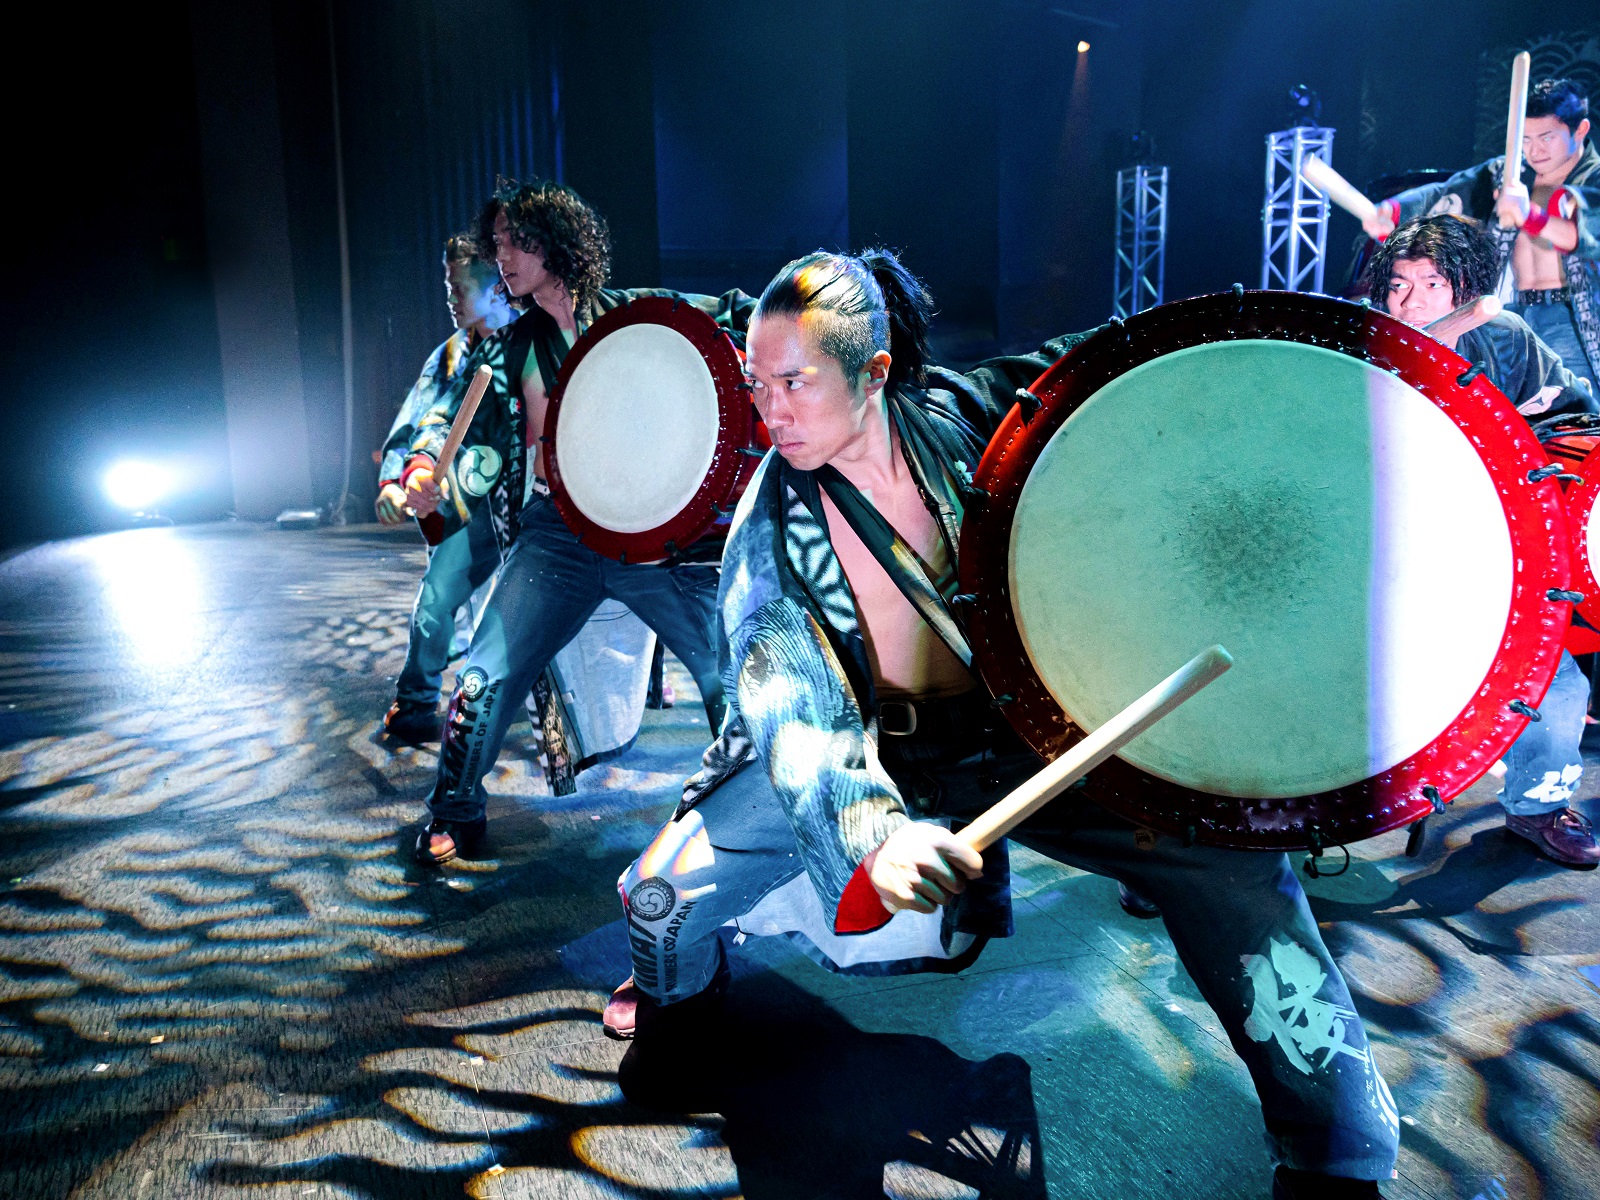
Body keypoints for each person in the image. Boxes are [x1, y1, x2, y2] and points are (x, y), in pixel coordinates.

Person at [606, 249, 1401, 1199]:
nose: (769, 413)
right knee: (657, 897)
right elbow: (794, 708)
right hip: (878, 762)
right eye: (756, 385)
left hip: (1035, 736)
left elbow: (1132, 368)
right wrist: (876, 836)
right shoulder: (769, 528)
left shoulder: (981, 420)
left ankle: (1340, 1158)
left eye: (794, 382)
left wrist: (1302, 361)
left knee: (1233, 873)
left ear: (877, 371)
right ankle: (683, 1030)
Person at [403, 179, 754, 865]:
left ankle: (751, 820)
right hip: (556, 538)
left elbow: (741, 319)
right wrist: (422, 466)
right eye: (496, 243)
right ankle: (456, 810)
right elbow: (447, 411)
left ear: (555, 243)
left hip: (649, 541)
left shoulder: (644, 317)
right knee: (484, 675)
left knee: (730, 675)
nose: (501, 255)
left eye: (515, 240)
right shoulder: (508, 346)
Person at [1371, 213, 1598, 866]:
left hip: (1485, 554)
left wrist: (1533, 429)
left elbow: (1577, 413)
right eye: (1398, 285)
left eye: (1430, 284)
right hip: (1371, 558)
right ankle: (1242, 834)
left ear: (1464, 288)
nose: (1409, 302)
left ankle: (1540, 806)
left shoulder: (1508, 339)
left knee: (1552, 681)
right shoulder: (1355, 343)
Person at [1364, 78, 1598, 398]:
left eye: (1547, 137)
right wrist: (1391, 211)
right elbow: (1448, 191)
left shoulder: (1594, 179)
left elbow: (1585, 236)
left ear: (1581, 130)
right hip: (1511, 312)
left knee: (1571, 408)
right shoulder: (1509, 171)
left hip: (1572, 320)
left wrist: (1530, 215)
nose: (1535, 150)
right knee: (1502, 405)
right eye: (1525, 139)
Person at [376, 233, 515, 744]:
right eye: (448, 288)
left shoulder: (531, 341)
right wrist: (399, 479)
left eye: (460, 289)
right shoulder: (450, 358)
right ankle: (417, 706)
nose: (450, 300)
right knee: (436, 601)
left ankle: (630, 695)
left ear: (495, 288)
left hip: (533, 509)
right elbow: (419, 421)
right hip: (469, 511)